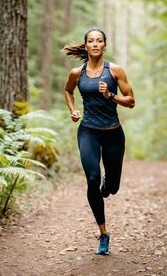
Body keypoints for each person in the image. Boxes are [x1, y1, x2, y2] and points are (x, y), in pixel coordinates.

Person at [63, 28, 135, 255]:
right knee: (92, 179)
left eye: (99, 41)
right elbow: (68, 91)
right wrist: (73, 110)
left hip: (113, 133)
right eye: (91, 41)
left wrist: (111, 96)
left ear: (105, 45)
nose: (95, 44)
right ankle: (104, 234)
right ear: (85, 46)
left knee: (111, 188)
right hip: (88, 133)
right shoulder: (77, 73)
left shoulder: (114, 71)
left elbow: (131, 101)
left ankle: (108, 182)